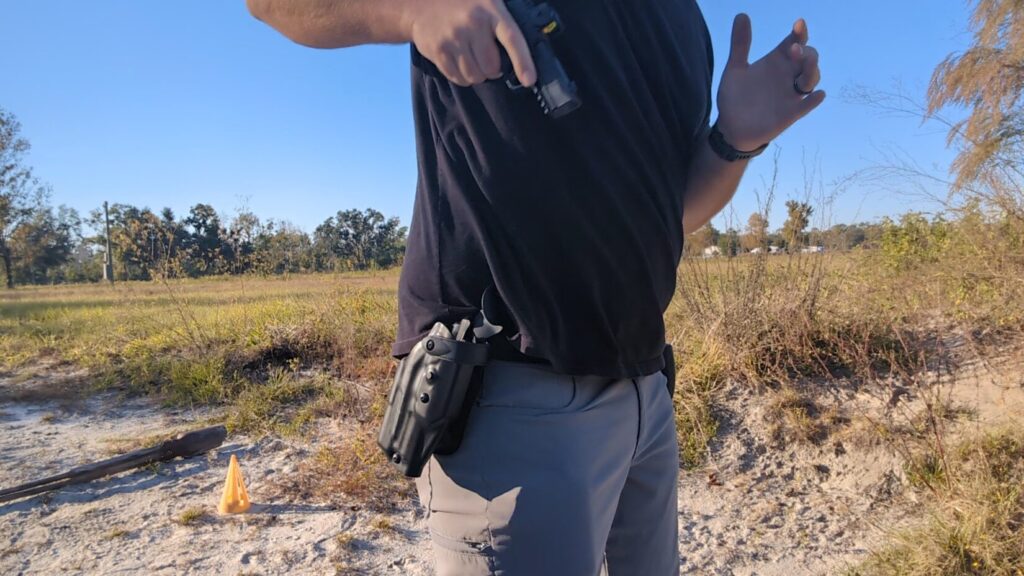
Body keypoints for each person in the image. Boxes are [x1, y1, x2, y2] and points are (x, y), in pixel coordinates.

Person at [247, 1, 823, 574]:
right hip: (507, 387)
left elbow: (672, 213)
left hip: (646, 394)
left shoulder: (682, 19)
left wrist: (733, 141)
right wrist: (413, 10)